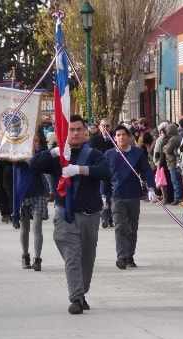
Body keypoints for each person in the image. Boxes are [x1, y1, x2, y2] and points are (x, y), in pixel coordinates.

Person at [29, 114, 110, 315]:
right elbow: (34, 164)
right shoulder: (58, 156)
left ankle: (81, 292)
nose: (75, 133)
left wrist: (80, 170)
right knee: (72, 257)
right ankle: (75, 298)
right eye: (71, 129)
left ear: (85, 134)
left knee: (87, 260)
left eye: (78, 130)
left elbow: (106, 171)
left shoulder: (93, 154)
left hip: (90, 215)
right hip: (66, 216)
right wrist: (54, 152)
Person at [101, 124, 156, 269]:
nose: (121, 137)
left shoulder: (137, 153)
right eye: (118, 135)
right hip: (117, 196)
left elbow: (147, 171)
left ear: (128, 136)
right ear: (114, 138)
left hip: (133, 195)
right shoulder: (109, 154)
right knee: (120, 227)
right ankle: (122, 256)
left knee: (132, 228)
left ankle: (130, 255)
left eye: (123, 134)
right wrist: (103, 194)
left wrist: (151, 187)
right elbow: (105, 176)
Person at [16, 132, 49, 271]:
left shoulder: (42, 156)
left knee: (37, 227)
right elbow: (3, 162)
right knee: (24, 227)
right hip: (23, 194)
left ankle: (37, 258)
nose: (34, 144)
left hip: (39, 194)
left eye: (36, 141)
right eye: (31, 141)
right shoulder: (18, 157)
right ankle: (25, 255)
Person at [89, 118, 114, 228]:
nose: (105, 129)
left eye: (107, 126)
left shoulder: (115, 138)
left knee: (112, 196)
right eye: (103, 126)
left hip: (113, 172)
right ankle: (104, 218)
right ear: (100, 127)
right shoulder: (94, 140)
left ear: (111, 127)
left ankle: (111, 218)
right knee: (103, 196)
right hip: (100, 171)